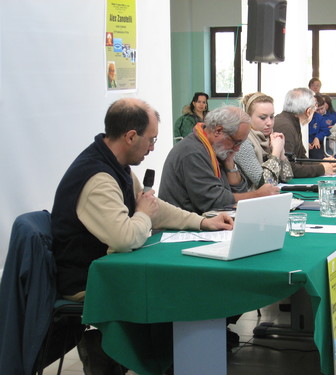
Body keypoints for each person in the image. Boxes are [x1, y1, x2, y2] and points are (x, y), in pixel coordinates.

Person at [51, 98, 234, 372]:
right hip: (88, 281)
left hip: (111, 268)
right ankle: (135, 357)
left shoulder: (116, 166)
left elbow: (152, 207)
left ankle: (166, 359)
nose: (152, 147)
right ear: (130, 136)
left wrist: (202, 223)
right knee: (173, 292)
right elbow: (126, 237)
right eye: (151, 140)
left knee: (178, 287)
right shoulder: (97, 178)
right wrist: (144, 214)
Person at [159, 106, 280, 214]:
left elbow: (240, 191)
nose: (237, 148)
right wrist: (257, 195)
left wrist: (230, 164)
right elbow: (213, 201)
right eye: (236, 142)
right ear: (218, 131)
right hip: (180, 231)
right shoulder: (192, 152)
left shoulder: (216, 148)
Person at [273, 88, 336, 177]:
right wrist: (322, 169)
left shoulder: (292, 121)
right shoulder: (286, 127)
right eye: (314, 108)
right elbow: (288, 168)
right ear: (308, 111)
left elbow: (301, 159)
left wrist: (323, 163)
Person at [233, 92, 293, 189]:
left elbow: (287, 177)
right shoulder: (243, 142)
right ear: (248, 117)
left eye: (272, 117)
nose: (269, 123)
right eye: (263, 118)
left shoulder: (270, 137)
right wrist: (276, 153)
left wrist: (281, 153)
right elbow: (265, 184)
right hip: (249, 200)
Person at [308, 94, 331, 158]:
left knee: (318, 156)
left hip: (315, 143)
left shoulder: (320, 118)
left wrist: (317, 137)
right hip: (303, 143)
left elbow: (326, 130)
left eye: (322, 108)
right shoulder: (304, 116)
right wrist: (305, 142)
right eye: (317, 109)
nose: (320, 111)